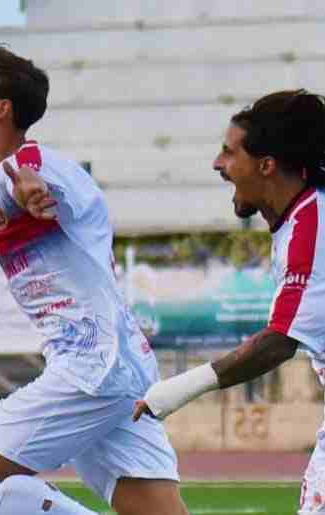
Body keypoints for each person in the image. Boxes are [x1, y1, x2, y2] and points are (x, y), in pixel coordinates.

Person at [0, 45, 189, 515]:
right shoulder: (5, 170)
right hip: (123, 365)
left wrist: (29, 188)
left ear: (1, 109)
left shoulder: (37, 167)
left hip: (91, 369)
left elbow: (23, 175)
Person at [133, 89, 325, 515]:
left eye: (229, 152)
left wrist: (175, 390)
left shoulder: (311, 224)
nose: (218, 164)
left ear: (266, 165)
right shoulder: (302, 218)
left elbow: (279, 343)